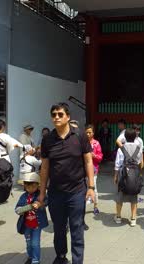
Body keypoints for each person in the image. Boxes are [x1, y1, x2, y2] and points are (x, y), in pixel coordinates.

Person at [38, 102, 95, 264]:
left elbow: (88, 162)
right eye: (54, 114)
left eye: (60, 114)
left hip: (77, 191)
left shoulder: (80, 136)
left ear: (68, 117)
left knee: (77, 228)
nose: (56, 117)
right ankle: (61, 256)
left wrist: (91, 187)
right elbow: (44, 168)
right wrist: (42, 194)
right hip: (56, 193)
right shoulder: (47, 139)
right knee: (59, 228)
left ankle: (77, 260)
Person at [15, 172, 49, 264]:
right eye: (28, 187)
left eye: (33, 187)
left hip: (37, 224)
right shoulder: (23, 197)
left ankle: (35, 260)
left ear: (38, 185)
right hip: (26, 224)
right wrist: (28, 207)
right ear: (25, 186)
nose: (30, 189)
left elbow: (46, 202)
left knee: (35, 243)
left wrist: (40, 204)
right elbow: (17, 210)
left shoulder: (40, 195)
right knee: (29, 243)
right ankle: (30, 257)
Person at [113, 128, 144, 227]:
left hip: (123, 175)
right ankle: (133, 218)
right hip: (134, 174)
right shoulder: (139, 148)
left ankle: (118, 217)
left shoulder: (120, 149)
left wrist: (115, 176)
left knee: (120, 196)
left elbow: (117, 164)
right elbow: (140, 163)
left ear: (125, 137)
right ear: (135, 137)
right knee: (134, 197)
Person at [85, 125, 103, 215]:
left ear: (93, 133)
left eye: (90, 132)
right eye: (87, 132)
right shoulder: (82, 143)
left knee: (94, 187)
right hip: (82, 169)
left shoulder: (96, 143)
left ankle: (95, 206)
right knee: (83, 188)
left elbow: (100, 157)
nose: (88, 134)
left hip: (93, 169)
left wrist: (94, 156)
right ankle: (82, 206)